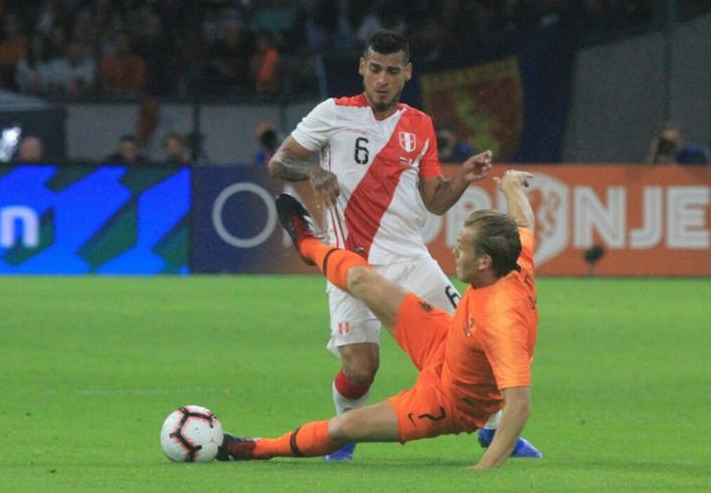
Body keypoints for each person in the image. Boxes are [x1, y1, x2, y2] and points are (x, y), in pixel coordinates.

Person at [268, 29, 541, 460]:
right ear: (362, 67)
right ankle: (344, 433)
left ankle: (492, 430)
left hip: (409, 258)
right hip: (351, 262)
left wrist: (462, 178)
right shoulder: (332, 113)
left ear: (407, 73)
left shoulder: (419, 125)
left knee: (474, 340)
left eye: (392, 71)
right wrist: (311, 172)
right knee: (360, 367)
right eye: (375, 69)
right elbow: (279, 161)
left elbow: (435, 202)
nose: (382, 79)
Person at [217, 170, 539, 468]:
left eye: (461, 248)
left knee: (344, 427)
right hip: (444, 337)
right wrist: (512, 187)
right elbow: (523, 224)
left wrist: (485, 468)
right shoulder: (513, 256)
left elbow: (519, 405)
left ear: (484, 262)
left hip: (450, 400)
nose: (454, 253)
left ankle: (253, 448)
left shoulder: (502, 321)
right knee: (360, 279)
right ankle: (309, 245)